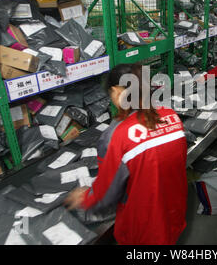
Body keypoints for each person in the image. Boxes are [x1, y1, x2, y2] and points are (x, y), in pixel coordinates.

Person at [64, 63, 188, 245]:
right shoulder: (172, 116)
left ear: (115, 91)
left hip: (145, 225)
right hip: (174, 210)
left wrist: (85, 198)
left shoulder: (120, 134)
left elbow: (108, 191)